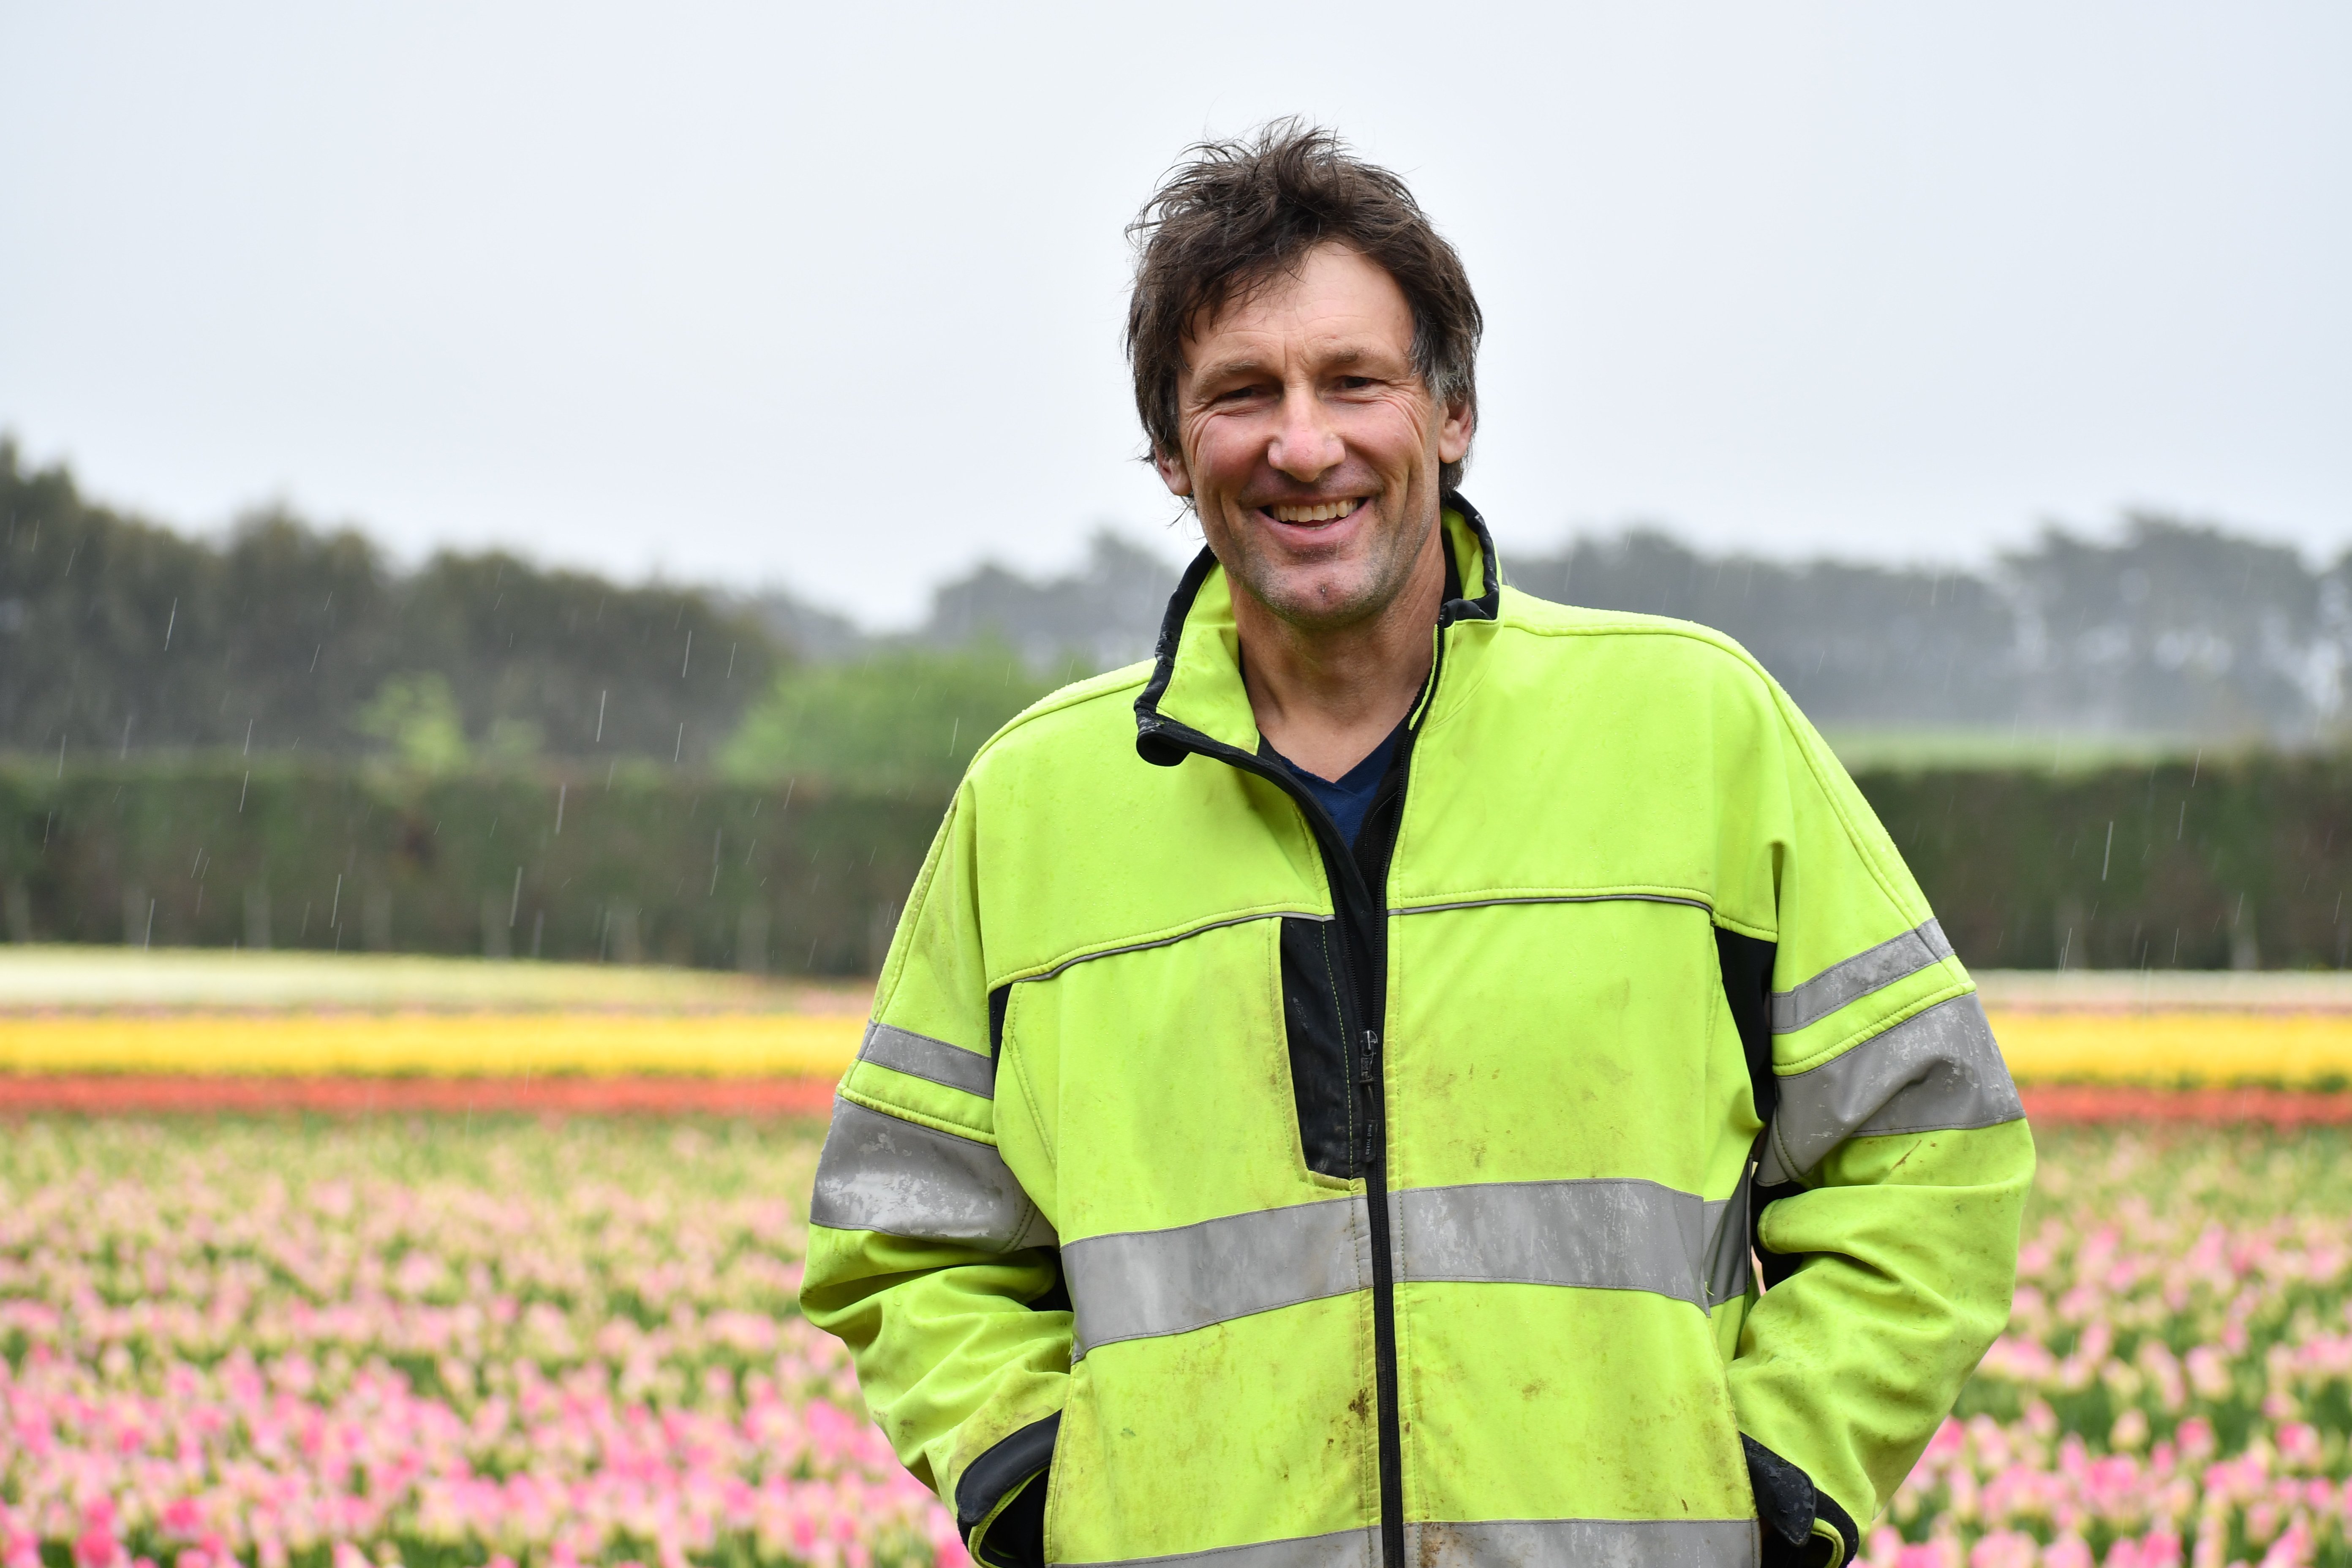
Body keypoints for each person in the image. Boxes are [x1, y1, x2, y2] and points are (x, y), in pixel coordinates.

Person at [800, 122, 2033, 1568]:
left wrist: (1763, 1491)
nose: (1304, 442)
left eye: (1355, 382)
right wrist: (1040, 1494)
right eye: (1240, 394)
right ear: (1168, 454)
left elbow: (1927, 1147)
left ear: (1451, 416)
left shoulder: (1695, 729)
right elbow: (908, 1229)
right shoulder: (1036, 803)